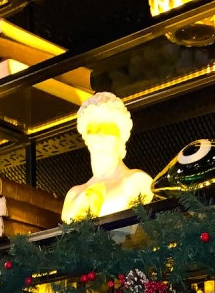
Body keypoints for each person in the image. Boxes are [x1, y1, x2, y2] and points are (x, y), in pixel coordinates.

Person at [61, 91, 154, 223]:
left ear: (121, 135)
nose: (99, 135)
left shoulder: (137, 181)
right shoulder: (74, 195)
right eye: (93, 129)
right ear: (86, 137)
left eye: (106, 128)